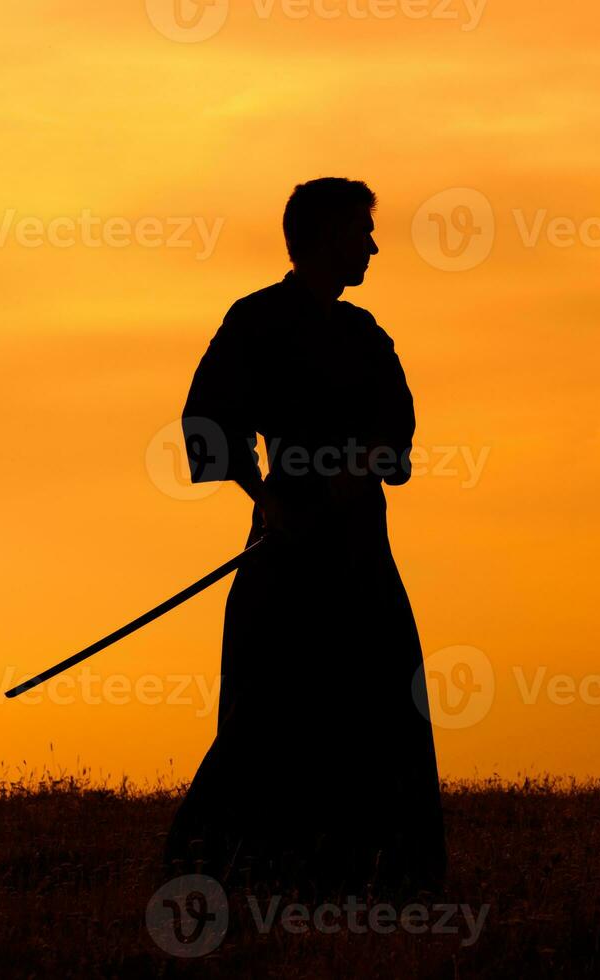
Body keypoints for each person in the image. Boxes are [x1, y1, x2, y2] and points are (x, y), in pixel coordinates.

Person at [163, 178, 446, 896]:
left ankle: (383, 880)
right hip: (285, 550)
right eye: (361, 230)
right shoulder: (256, 321)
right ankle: (223, 871)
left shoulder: (365, 334)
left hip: (361, 553)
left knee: (384, 706)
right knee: (267, 712)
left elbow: (398, 434)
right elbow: (208, 421)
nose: (374, 245)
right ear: (324, 238)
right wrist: (265, 498)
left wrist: (359, 472)